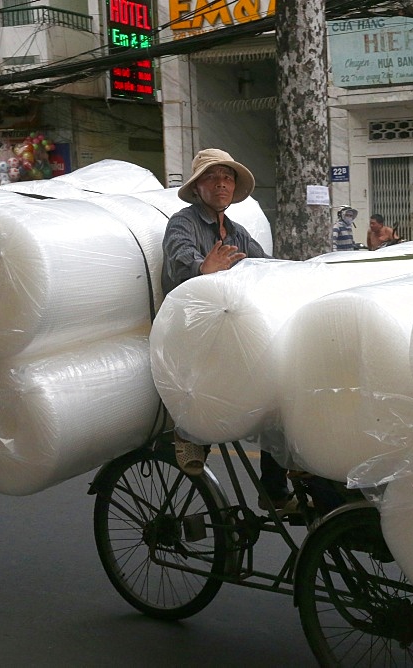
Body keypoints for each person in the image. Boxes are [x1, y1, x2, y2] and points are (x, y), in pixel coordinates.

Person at [161, 148, 294, 513]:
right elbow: (181, 264)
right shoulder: (182, 224)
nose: (221, 183)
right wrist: (206, 268)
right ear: (197, 187)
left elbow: (266, 268)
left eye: (228, 176)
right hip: (191, 335)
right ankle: (189, 431)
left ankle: (275, 489)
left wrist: (301, 274)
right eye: (212, 176)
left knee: (281, 390)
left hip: (231, 331)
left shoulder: (237, 232)